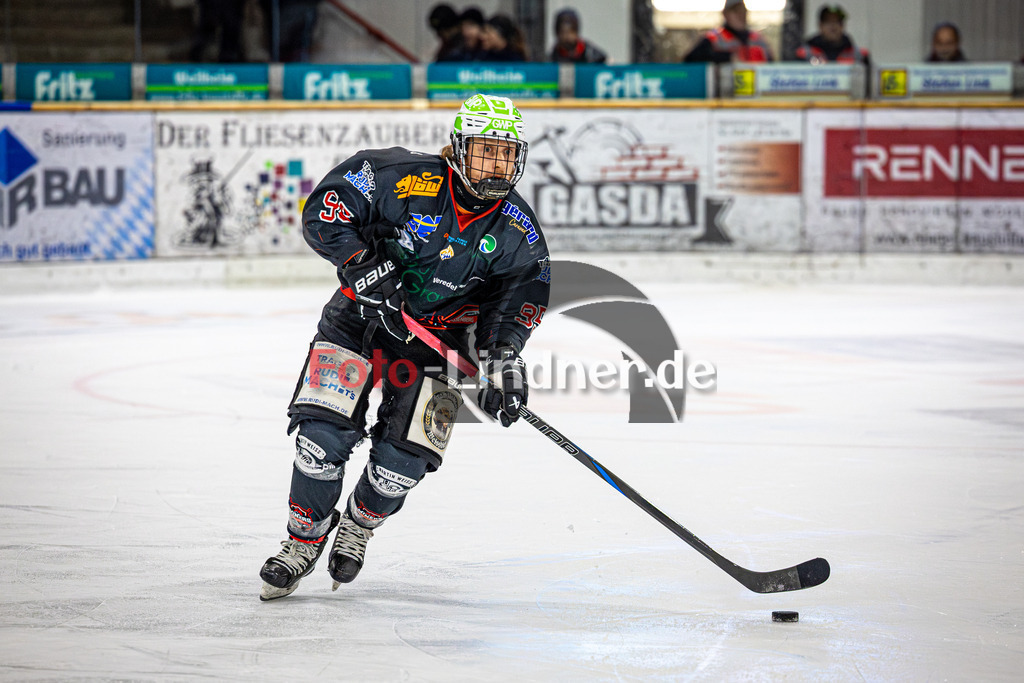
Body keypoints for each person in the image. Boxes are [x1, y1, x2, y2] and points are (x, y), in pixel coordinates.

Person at [258, 94, 550, 601]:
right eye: (485, 150)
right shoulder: (400, 175)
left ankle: (356, 527)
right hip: (358, 323)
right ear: (458, 149)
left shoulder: (519, 232)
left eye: (507, 153)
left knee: (401, 467)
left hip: (438, 345)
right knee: (319, 440)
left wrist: (503, 360)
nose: (497, 164)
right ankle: (302, 542)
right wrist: (358, 263)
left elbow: (517, 302)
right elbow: (326, 210)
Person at [683, 0, 773, 63]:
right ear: (725, 14)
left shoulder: (759, 39)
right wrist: (726, 58)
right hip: (724, 89)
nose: (741, 15)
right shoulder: (713, 38)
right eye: (736, 11)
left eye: (743, 11)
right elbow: (690, 59)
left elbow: (771, 65)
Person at [794, 4, 870, 67]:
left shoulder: (859, 55)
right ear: (820, 26)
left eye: (837, 22)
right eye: (828, 22)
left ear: (842, 26)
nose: (833, 26)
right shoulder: (805, 54)